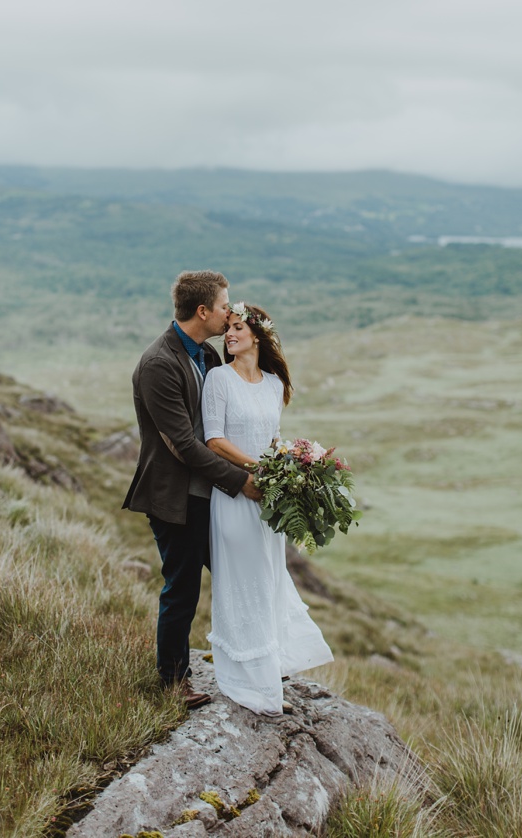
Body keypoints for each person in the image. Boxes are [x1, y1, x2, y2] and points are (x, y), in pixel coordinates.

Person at [123, 271, 261, 709]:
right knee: (181, 587)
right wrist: (242, 482)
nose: (230, 313)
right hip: (174, 497)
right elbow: (182, 445)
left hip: (210, 492)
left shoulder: (207, 354)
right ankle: (172, 682)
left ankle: (248, 665)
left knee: (238, 576)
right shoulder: (158, 365)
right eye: (224, 306)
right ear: (203, 311)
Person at [201, 302, 333, 716]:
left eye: (237, 328)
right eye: (228, 330)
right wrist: (257, 469)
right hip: (235, 496)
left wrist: (292, 464)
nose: (230, 335)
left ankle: (268, 668)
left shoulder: (275, 384)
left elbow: (274, 438)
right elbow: (214, 441)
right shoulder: (218, 379)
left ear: (257, 335)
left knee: (271, 577)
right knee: (245, 580)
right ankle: (246, 678)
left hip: (269, 500)